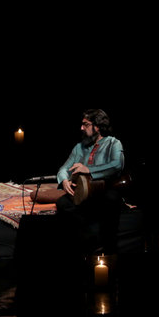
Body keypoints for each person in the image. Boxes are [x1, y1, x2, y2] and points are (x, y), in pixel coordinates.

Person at [56, 109, 125, 254]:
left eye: (85, 124)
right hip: (83, 193)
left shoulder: (113, 143)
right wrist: (64, 181)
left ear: (97, 126)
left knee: (111, 199)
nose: (81, 128)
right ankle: (89, 241)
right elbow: (64, 168)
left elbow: (117, 165)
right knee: (62, 203)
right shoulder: (79, 147)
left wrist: (89, 169)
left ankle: (107, 248)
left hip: (104, 191)